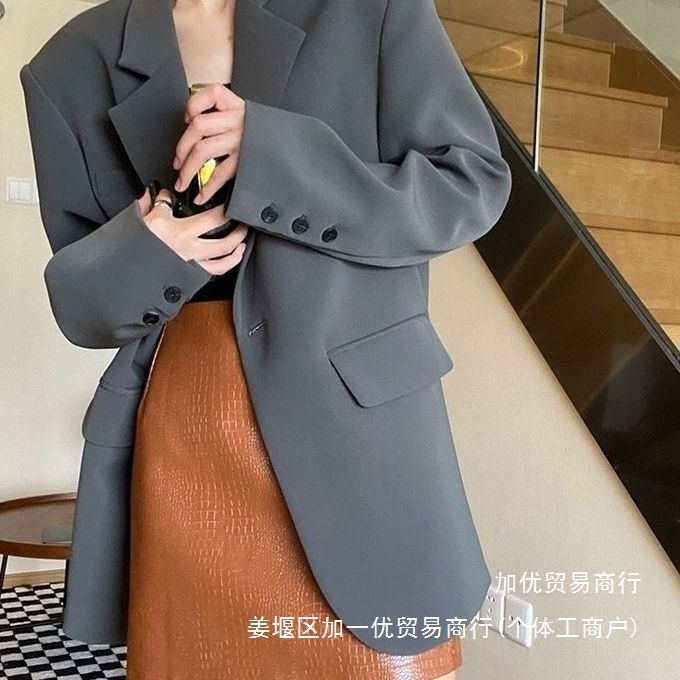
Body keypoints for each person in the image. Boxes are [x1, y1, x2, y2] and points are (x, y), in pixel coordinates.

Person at [21, 0, 513, 676]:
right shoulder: (71, 61)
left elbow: (471, 183)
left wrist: (275, 156)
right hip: (190, 429)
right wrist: (148, 245)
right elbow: (82, 303)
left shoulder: (368, 10)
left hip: (362, 429)